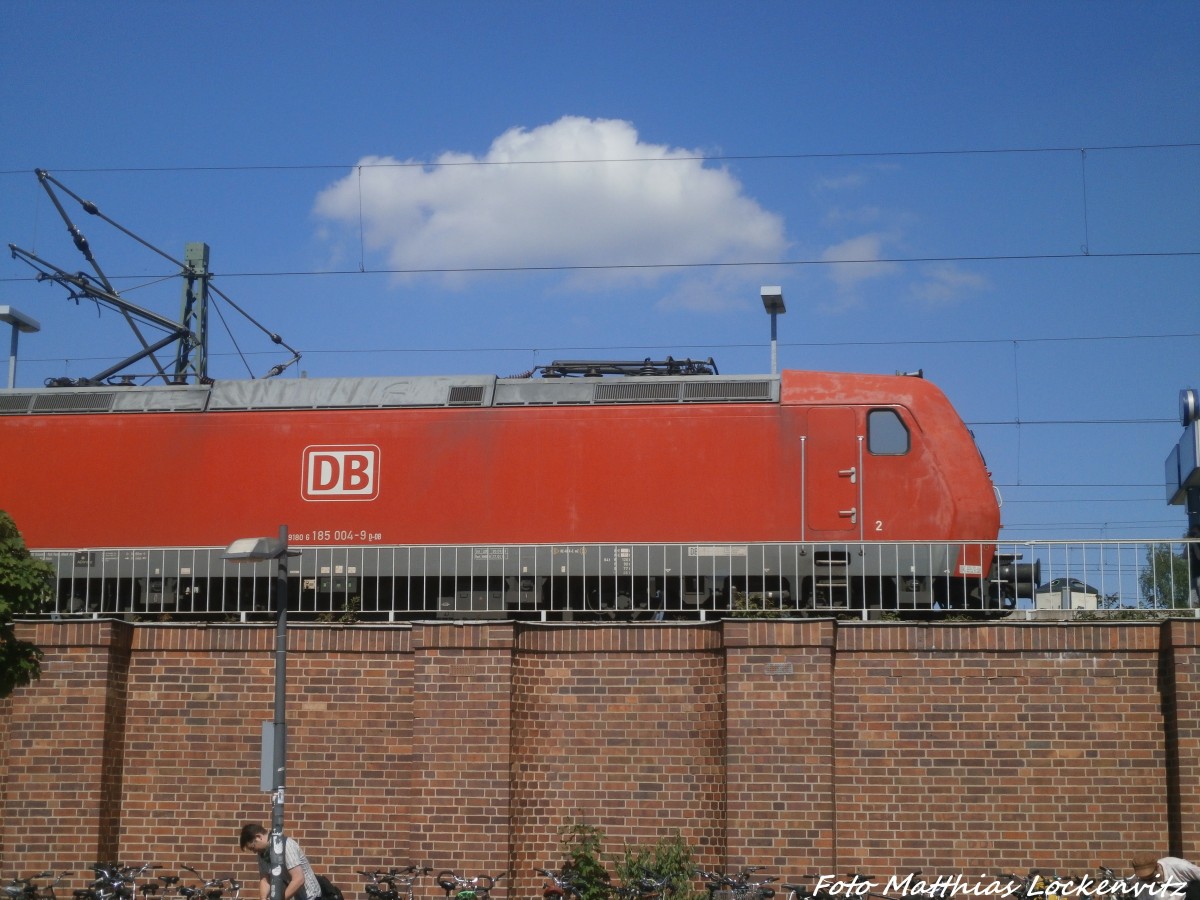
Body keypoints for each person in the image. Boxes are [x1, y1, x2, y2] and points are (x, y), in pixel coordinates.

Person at [240, 823, 322, 900]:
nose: (254, 851)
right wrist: (263, 898)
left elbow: (299, 879)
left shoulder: (285, 845)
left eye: (253, 847)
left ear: (258, 837)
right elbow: (265, 880)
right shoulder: (262, 853)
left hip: (310, 897)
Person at [1130, 854, 1200, 900]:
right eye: (1143, 878)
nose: (1148, 882)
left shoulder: (1179, 866)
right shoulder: (1140, 884)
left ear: (1157, 867)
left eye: (1150, 877)